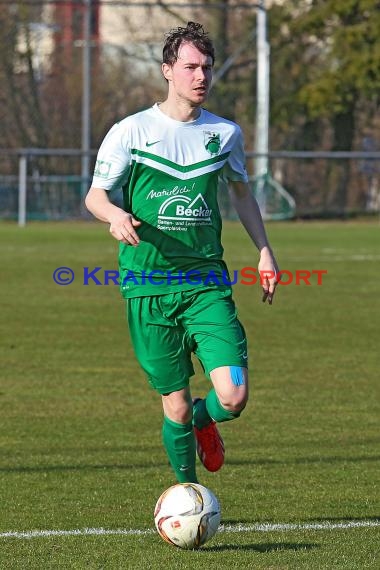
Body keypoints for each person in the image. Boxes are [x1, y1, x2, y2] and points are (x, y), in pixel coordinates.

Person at [85, 21, 279, 484]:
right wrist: (114, 216)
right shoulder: (130, 131)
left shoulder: (225, 134)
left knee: (232, 395)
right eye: (190, 66)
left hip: (205, 282)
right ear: (167, 70)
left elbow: (241, 194)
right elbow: (96, 195)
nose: (201, 76)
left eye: (207, 67)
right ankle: (188, 493)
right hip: (147, 284)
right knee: (173, 404)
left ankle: (206, 417)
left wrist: (265, 251)